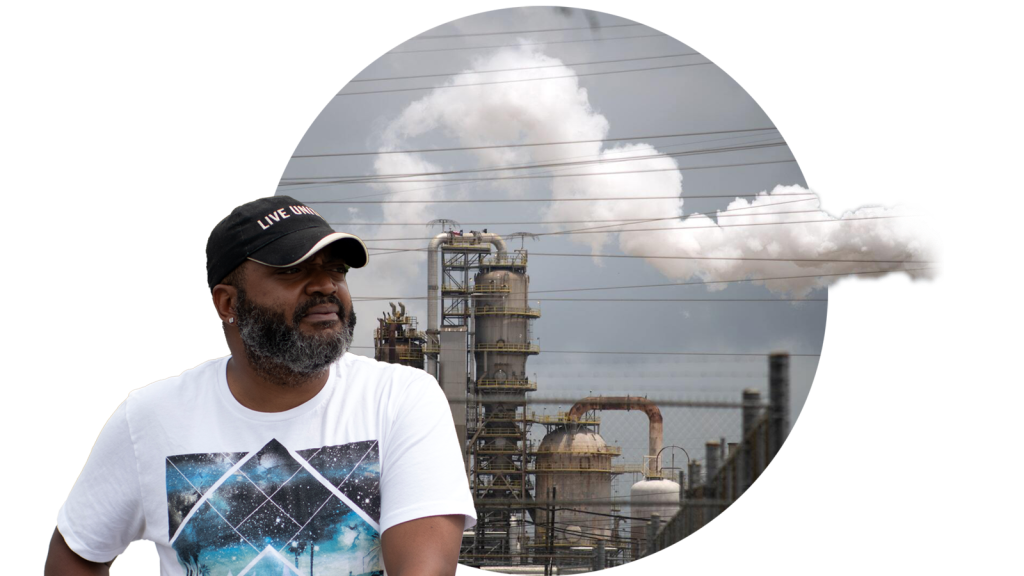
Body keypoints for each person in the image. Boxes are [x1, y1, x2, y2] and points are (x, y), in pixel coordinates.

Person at [45, 195, 476, 575]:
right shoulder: (151, 416)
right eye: (293, 271)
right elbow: (79, 551)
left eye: (336, 269)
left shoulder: (399, 399)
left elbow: (424, 570)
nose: (326, 286)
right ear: (228, 303)